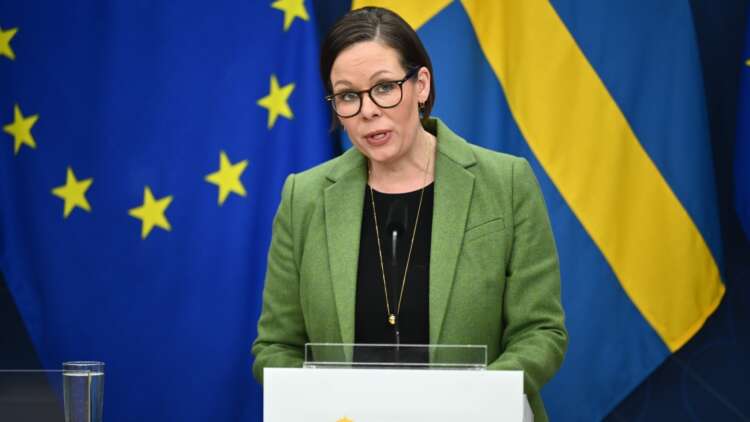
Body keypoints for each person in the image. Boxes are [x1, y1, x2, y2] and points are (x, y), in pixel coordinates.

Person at [252, 6, 567, 421]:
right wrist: (329, 403)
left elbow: (541, 332)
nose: (368, 110)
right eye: (348, 95)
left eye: (384, 87)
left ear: (421, 85)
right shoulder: (303, 197)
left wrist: (473, 401)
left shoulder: (506, 182)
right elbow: (275, 347)